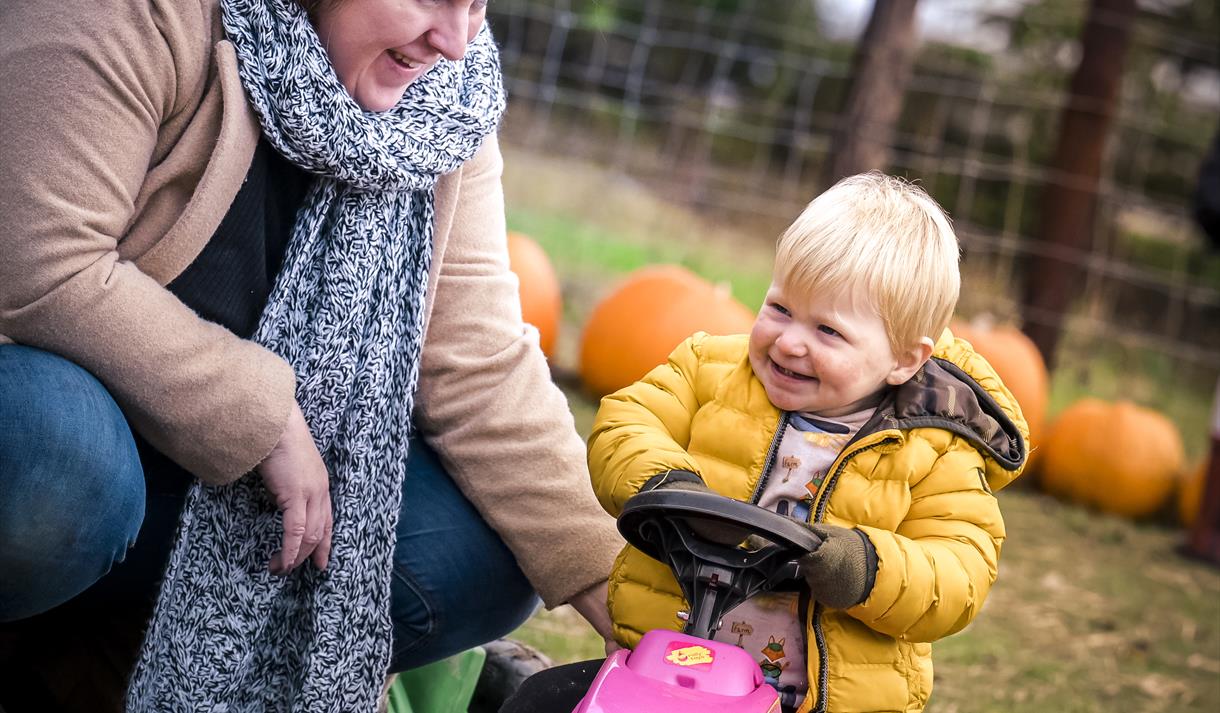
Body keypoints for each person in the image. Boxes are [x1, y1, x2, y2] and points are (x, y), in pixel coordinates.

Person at [0, 0, 621, 709]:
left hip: (215, 499)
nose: (456, 41)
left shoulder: (448, 105)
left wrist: (615, 581)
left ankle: (84, 668)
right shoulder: (139, 13)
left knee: (485, 553)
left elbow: (480, 365)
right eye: (429, 0)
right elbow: (39, 264)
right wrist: (261, 414)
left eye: (476, 4)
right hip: (56, 427)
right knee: (59, 460)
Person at [503, 173, 1028, 713]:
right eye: (780, 308)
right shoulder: (710, 370)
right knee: (539, 700)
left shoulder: (937, 453)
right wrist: (666, 481)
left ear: (903, 360)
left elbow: (958, 575)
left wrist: (865, 567)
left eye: (828, 331)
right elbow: (626, 422)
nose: (790, 341)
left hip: (814, 699)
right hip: (671, 669)